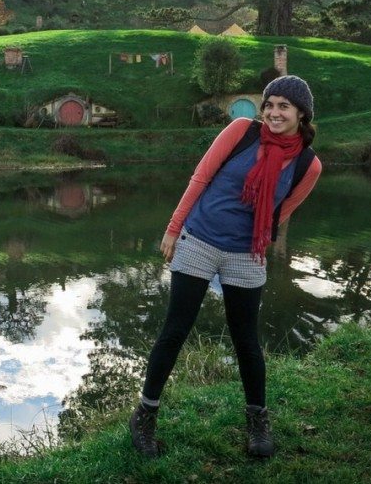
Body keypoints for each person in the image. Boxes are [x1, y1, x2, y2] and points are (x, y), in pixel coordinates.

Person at [129, 75, 323, 459]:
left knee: (246, 340)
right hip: (198, 239)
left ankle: (257, 421)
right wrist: (173, 229)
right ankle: (145, 415)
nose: (273, 112)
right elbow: (200, 178)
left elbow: (281, 214)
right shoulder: (241, 132)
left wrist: (256, 246)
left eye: (284, 105)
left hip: (245, 254)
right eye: (269, 104)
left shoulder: (308, 165)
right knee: (175, 330)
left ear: (302, 113)